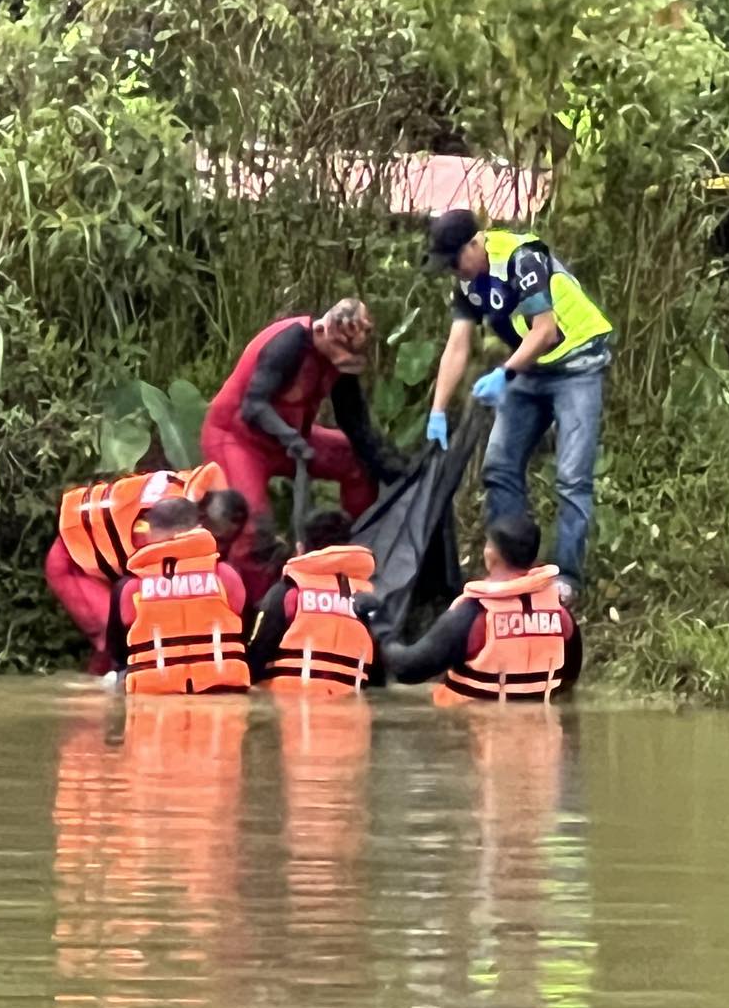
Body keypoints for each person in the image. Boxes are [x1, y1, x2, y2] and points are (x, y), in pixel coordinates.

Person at [424, 210, 613, 604]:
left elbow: (545, 330)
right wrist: (438, 410)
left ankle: (566, 580)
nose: (454, 272)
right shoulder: (470, 284)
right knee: (499, 466)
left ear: (474, 244)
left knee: (572, 477)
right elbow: (457, 345)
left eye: (455, 261)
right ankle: (511, 567)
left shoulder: (520, 258)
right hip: (529, 370)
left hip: (577, 362)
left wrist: (505, 375)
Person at [202, 299, 399, 606]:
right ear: (323, 331)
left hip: (289, 439)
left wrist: (384, 462)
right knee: (253, 527)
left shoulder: (338, 361)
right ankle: (257, 609)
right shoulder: (288, 344)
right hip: (239, 438)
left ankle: (354, 552)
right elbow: (254, 406)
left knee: (355, 461)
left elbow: (353, 420)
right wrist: (291, 438)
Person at [367, 513, 581, 705]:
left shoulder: (472, 613)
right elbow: (569, 677)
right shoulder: (561, 616)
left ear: (491, 553)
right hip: (542, 733)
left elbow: (408, 669)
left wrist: (384, 636)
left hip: (476, 733)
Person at [46, 462, 228, 674]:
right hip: (71, 561)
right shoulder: (157, 526)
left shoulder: (189, 486)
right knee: (114, 634)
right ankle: (99, 694)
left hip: (104, 551)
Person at [106, 498, 250, 695]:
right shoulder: (226, 577)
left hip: (154, 704)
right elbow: (244, 636)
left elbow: (118, 654)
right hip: (222, 697)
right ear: (198, 529)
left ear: (148, 535)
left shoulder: (130, 588)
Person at [248, 509, 377, 697]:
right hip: (348, 714)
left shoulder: (288, 592)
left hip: (291, 711)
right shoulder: (365, 601)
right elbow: (377, 673)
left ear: (301, 548)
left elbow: (257, 655)